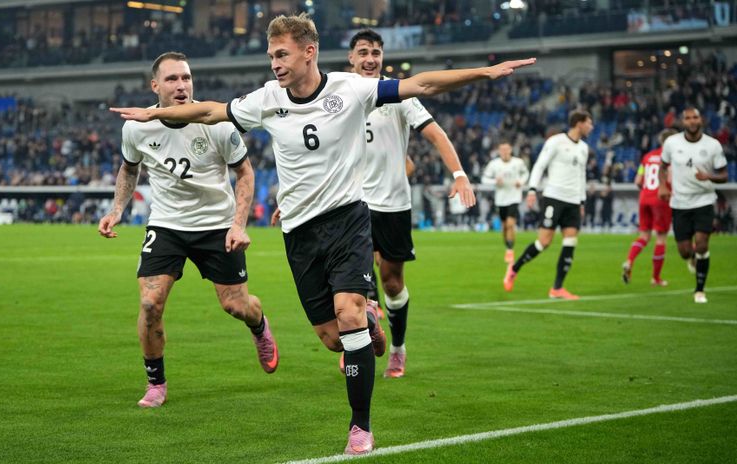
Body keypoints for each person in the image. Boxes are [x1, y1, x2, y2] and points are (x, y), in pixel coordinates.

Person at [111, 13, 534, 454]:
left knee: (348, 314)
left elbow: (423, 85)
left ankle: (360, 426)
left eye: (282, 54)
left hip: (348, 219)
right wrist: (157, 113)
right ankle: (367, 323)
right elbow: (210, 110)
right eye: (271, 55)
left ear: (308, 52)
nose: (274, 63)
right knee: (335, 338)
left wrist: (484, 72)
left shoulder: (350, 89)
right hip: (298, 231)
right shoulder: (267, 98)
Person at [98, 51, 279, 409]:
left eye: (186, 78)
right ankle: (156, 383)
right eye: (172, 79)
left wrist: (238, 224)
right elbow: (129, 168)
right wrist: (117, 208)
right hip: (167, 224)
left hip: (216, 226)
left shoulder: (216, 123)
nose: (181, 85)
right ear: (155, 86)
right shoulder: (136, 126)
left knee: (236, 305)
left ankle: (260, 327)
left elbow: (245, 172)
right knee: (150, 303)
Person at [345, 29, 476, 379]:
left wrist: (459, 173)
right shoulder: (338, 94)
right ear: (351, 58)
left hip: (393, 204)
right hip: (350, 202)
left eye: (375, 52)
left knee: (391, 283)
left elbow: (435, 133)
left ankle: (398, 349)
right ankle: (356, 341)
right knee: (352, 283)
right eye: (363, 52)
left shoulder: (398, 94)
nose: (370, 58)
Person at [503, 109, 594, 299]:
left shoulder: (584, 148)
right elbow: (540, 165)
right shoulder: (556, 142)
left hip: (573, 201)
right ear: (579, 123)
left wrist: (582, 201)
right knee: (544, 242)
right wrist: (532, 190)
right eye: (589, 123)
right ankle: (514, 268)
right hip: (554, 197)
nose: (591, 127)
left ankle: (557, 288)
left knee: (570, 241)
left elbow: (581, 175)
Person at [658, 107, 727, 304]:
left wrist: (709, 176)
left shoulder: (713, 145)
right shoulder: (672, 143)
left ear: (701, 120)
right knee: (684, 250)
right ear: (683, 121)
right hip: (680, 202)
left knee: (702, 242)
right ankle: (692, 260)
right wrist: (662, 186)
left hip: (704, 200)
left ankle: (699, 290)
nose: (692, 121)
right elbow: (663, 167)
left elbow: (724, 175)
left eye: (695, 117)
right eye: (687, 118)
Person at [622, 129, 677, 286]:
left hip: (644, 198)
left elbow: (638, 181)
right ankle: (656, 278)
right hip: (661, 199)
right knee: (661, 239)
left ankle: (629, 261)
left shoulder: (647, 157)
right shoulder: (671, 159)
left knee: (644, 236)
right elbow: (672, 179)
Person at [482, 140, 529, 264]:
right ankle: (508, 246)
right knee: (504, 227)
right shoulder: (494, 164)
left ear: (511, 150)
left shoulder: (518, 163)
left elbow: (526, 174)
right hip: (501, 199)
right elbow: (484, 178)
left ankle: (510, 250)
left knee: (510, 224)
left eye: (506, 149)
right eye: (502, 150)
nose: (504, 152)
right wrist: (494, 182)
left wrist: (521, 182)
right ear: (499, 151)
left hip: (514, 197)